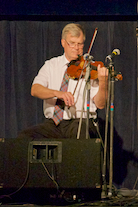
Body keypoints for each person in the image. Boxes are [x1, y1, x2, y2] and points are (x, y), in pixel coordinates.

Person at [18, 23, 108, 140]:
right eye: (72, 43)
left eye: (80, 44)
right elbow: (35, 90)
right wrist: (58, 93)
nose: (76, 48)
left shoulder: (90, 68)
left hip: (80, 121)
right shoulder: (51, 65)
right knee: (25, 136)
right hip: (53, 124)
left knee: (79, 132)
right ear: (63, 43)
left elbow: (100, 104)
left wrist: (103, 82)